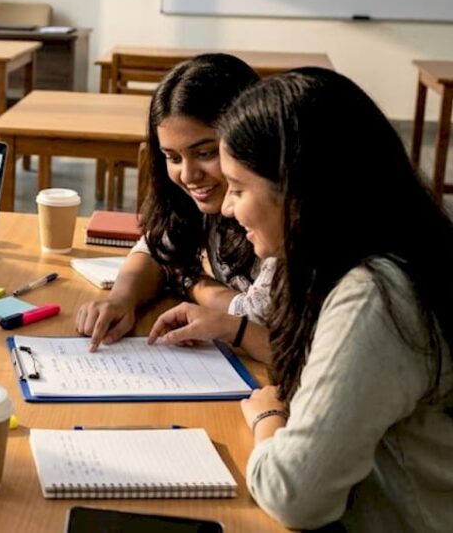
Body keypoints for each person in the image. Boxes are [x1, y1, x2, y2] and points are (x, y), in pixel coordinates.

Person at [211, 68, 450, 531]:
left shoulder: (375, 296)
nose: (226, 207)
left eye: (238, 189)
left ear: (298, 192)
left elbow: (294, 495)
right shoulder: (404, 250)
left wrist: (268, 419)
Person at [74, 54, 271, 361]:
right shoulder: (197, 201)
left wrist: (188, 280)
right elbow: (155, 248)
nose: (189, 175)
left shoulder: (275, 214)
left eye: (205, 153)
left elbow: (259, 317)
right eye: (173, 158)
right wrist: (121, 299)